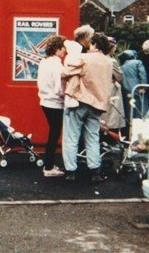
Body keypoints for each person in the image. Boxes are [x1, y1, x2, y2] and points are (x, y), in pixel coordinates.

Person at [61, 33, 112, 184]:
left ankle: (70, 171)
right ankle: (94, 170)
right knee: (93, 137)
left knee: (71, 137)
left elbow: (66, 72)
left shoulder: (85, 58)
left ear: (94, 44)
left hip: (80, 101)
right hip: (97, 104)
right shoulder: (109, 61)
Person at [36, 35, 67, 177]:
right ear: (57, 49)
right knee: (54, 135)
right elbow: (59, 88)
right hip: (55, 103)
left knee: (53, 134)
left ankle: (49, 164)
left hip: (45, 101)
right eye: (63, 48)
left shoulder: (44, 62)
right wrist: (66, 97)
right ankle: (48, 168)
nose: (65, 51)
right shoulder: (57, 65)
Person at [102, 37, 125, 131]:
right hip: (111, 91)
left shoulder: (97, 59)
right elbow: (120, 77)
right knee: (111, 118)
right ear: (110, 48)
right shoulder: (112, 61)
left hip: (100, 90)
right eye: (114, 47)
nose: (115, 49)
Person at [119, 50, 147, 120]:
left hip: (126, 90)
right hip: (137, 88)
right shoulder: (138, 62)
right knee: (140, 109)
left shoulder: (121, 67)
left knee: (129, 110)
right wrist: (144, 87)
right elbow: (143, 75)